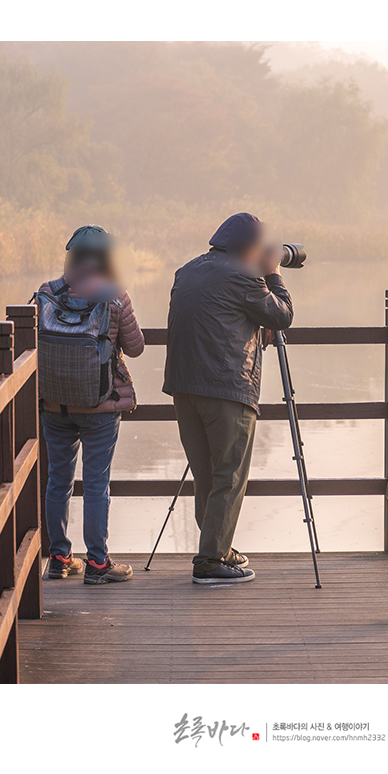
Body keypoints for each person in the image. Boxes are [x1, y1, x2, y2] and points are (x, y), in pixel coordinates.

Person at [163, 213, 293, 584]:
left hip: (184, 389)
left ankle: (217, 546)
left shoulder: (186, 271)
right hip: (226, 389)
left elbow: (219, 316)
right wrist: (274, 274)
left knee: (206, 474)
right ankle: (209, 561)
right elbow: (282, 316)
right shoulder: (244, 275)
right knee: (230, 475)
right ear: (251, 247)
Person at [37, 225, 145, 584]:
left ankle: (59, 558)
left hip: (54, 404)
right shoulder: (115, 297)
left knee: (57, 481)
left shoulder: (46, 294)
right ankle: (97, 564)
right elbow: (136, 346)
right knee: (97, 484)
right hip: (100, 406)